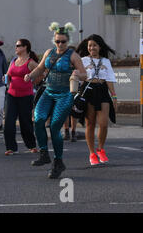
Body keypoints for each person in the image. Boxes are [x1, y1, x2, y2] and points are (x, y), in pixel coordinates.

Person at [24, 22, 86, 179]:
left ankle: (58, 162)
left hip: (65, 95)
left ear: (68, 41)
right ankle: (44, 153)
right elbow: (39, 68)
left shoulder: (73, 55)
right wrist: (30, 76)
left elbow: (86, 75)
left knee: (54, 126)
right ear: (54, 40)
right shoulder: (48, 52)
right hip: (48, 92)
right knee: (38, 120)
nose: (60, 44)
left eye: (63, 41)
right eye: (57, 41)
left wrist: (78, 74)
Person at [76, 34, 117, 166]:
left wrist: (114, 95)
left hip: (102, 90)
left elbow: (109, 79)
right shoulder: (82, 60)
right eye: (89, 45)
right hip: (88, 91)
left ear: (100, 46)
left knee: (104, 123)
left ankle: (101, 149)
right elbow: (78, 77)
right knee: (90, 124)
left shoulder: (106, 61)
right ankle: (92, 153)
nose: (92, 47)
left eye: (94, 45)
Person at [4, 39, 38, 155]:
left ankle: (31, 145)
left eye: (18, 46)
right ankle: (10, 147)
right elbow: (8, 74)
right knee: (9, 121)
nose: (16, 47)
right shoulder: (13, 60)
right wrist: (5, 78)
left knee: (25, 122)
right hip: (11, 94)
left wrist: (32, 80)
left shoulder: (30, 62)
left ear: (25, 47)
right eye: (16, 45)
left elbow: (42, 73)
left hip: (26, 96)